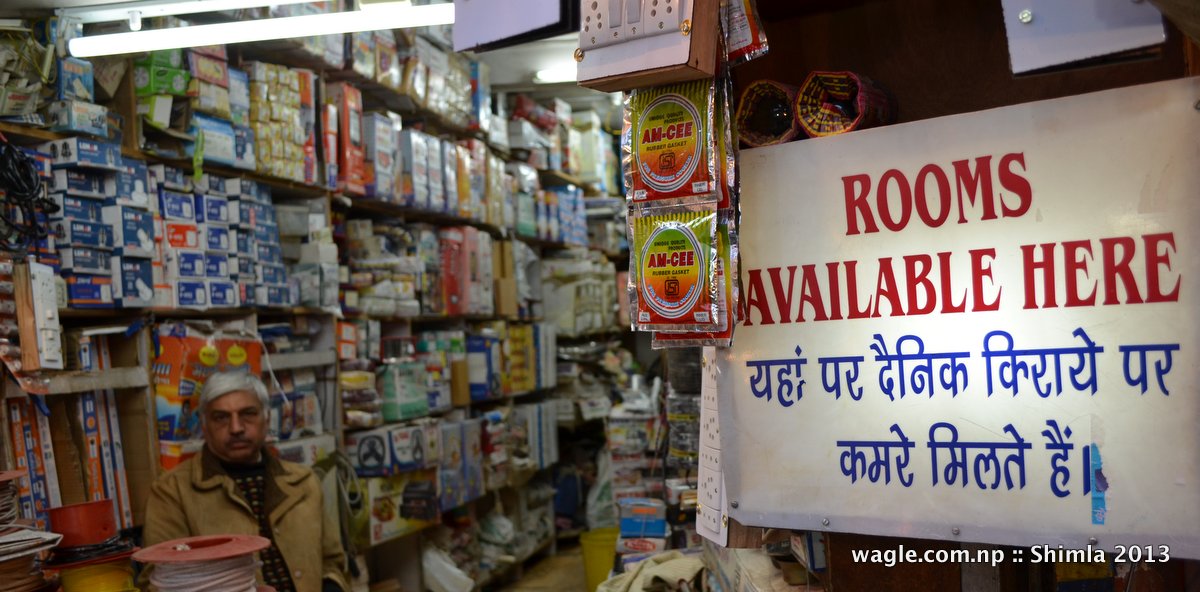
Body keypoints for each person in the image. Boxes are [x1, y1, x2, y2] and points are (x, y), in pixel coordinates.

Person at [143, 371, 349, 592]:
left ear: (267, 419)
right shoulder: (172, 491)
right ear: (204, 426)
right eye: (221, 417)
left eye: (248, 414)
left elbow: (332, 563)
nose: (236, 428)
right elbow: (156, 582)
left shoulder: (303, 481)